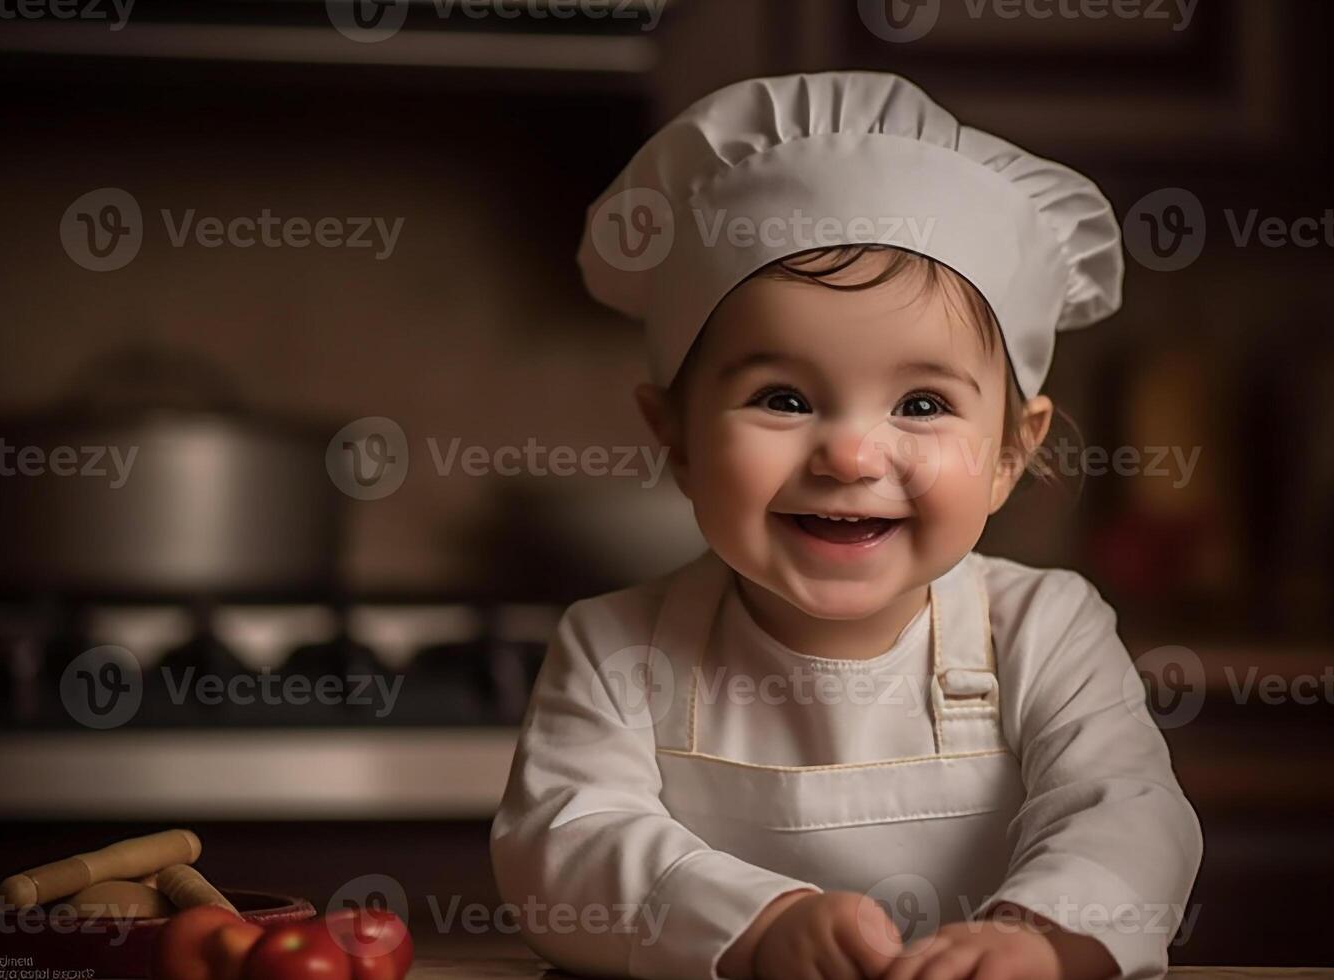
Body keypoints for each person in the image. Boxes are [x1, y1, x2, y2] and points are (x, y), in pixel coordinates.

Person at [490, 71, 1203, 980]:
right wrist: (756, 925)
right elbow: (566, 845)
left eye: (920, 402)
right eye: (782, 398)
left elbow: (1126, 810)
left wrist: (1037, 936)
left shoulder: (1046, 630)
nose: (852, 456)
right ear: (672, 438)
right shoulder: (611, 648)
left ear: (1006, 456)